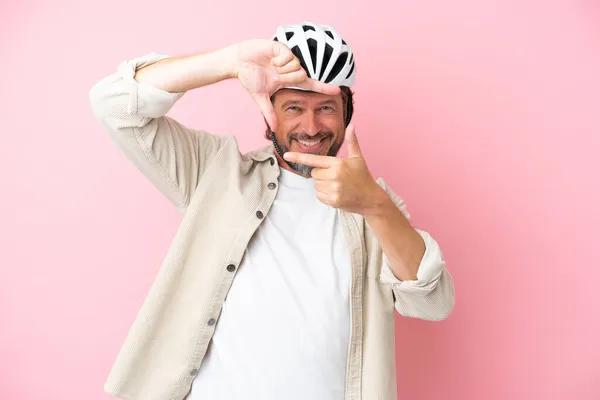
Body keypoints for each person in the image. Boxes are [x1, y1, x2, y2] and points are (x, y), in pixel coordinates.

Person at [89, 21, 455, 400]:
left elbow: (434, 302)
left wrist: (375, 206)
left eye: (326, 107)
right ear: (268, 111)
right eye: (294, 107)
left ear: (346, 114)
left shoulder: (373, 204)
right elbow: (113, 103)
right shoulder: (215, 172)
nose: (311, 127)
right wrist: (229, 62)